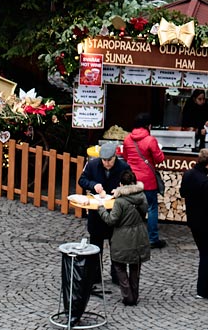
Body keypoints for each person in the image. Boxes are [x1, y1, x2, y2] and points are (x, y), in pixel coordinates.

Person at [98, 164, 149, 307]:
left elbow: (111, 220)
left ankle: (128, 297)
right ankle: (134, 295)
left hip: (122, 238)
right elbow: (144, 211)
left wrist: (101, 208)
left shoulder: (120, 201)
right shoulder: (142, 195)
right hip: (139, 236)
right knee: (135, 266)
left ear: (121, 184)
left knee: (119, 266)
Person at [181, 147, 208, 300]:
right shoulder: (207, 182)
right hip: (207, 223)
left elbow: (182, 193)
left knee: (206, 252)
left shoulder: (188, 174)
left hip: (193, 220)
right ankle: (203, 289)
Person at [120, 115, 167, 248]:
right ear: (148, 126)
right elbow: (159, 159)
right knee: (151, 208)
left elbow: (125, 157)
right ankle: (152, 239)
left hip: (132, 180)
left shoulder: (127, 139)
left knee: (132, 209)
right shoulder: (150, 140)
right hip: (148, 181)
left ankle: (132, 238)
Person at [79, 142, 120, 288]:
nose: (107, 163)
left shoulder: (123, 167)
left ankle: (117, 275)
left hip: (115, 213)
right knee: (96, 245)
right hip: (97, 213)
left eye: (110, 160)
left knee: (116, 246)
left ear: (115, 157)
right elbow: (82, 180)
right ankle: (95, 275)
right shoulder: (92, 165)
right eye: (104, 160)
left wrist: (120, 190)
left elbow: (131, 184)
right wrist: (93, 185)